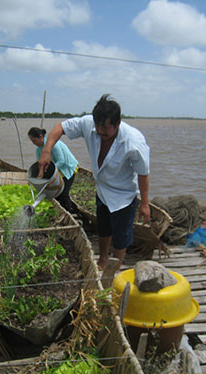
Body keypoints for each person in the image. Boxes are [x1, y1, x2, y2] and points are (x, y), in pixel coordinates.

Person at [37, 94, 150, 270]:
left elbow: (143, 173)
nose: (99, 131)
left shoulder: (134, 142)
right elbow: (60, 127)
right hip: (102, 188)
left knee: (121, 236)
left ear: (117, 124)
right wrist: (46, 150)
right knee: (103, 228)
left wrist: (144, 203)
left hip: (124, 194)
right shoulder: (90, 124)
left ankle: (114, 268)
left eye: (105, 128)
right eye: (97, 126)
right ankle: (103, 261)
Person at [28, 126, 78, 212]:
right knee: (56, 194)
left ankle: (69, 211)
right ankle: (70, 208)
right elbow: (40, 164)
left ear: (40, 136)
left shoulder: (53, 144)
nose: (33, 143)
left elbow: (61, 161)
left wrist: (52, 173)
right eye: (32, 141)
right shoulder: (38, 150)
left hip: (67, 168)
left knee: (64, 193)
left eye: (34, 140)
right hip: (57, 169)